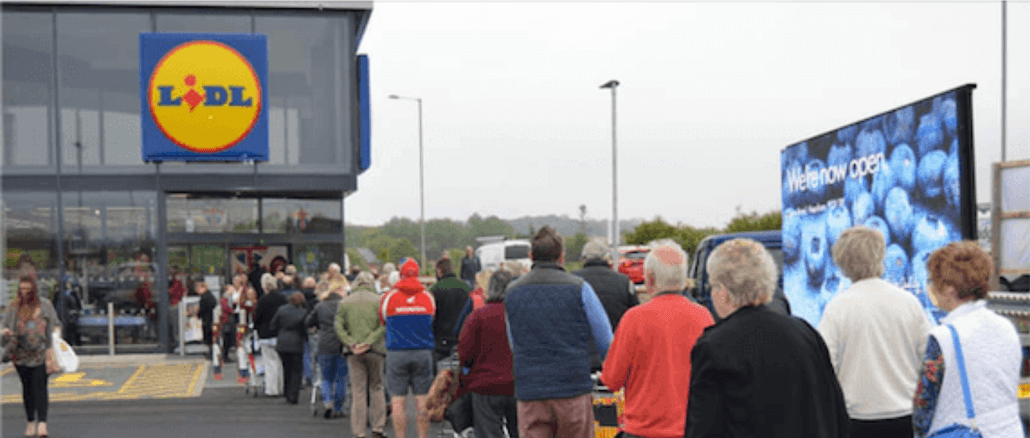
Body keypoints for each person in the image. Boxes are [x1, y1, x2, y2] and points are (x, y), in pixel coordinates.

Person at [685, 238, 849, 438]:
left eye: (712, 286)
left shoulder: (713, 347)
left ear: (724, 291)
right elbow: (834, 411)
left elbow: (704, 429)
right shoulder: (805, 333)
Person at [816, 226, 932, 438]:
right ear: (881, 256)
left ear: (842, 263)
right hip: (905, 416)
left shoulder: (837, 308)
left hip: (857, 419)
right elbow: (929, 357)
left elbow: (824, 366)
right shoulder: (909, 302)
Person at [503, 226, 614, 438]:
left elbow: (513, 343)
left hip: (531, 390)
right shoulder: (580, 288)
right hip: (572, 388)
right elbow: (606, 340)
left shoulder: (512, 292)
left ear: (531, 256)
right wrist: (607, 374)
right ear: (561, 257)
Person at [600, 239, 713, 438]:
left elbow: (611, 380)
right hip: (691, 429)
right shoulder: (703, 317)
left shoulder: (634, 319)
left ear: (650, 278)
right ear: (684, 279)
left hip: (642, 430)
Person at [914, 241, 1024, 437]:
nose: (929, 287)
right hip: (1009, 430)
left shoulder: (943, 338)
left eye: (932, 280)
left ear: (949, 289)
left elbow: (923, 410)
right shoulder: (1006, 328)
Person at [457, 269, 518, 438]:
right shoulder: (519, 315)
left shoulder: (478, 316)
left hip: (485, 386)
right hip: (518, 385)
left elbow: (464, 353)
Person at [379, 259, 436, 438]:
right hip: (422, 352)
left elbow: (383, 321)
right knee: (422, 400)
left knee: (398, 400)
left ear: (401, 273)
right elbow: (432, 319)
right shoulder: (428, 297)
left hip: (397, 352)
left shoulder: (388, 297)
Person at [2, 277, 61, 438]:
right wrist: (5, 333)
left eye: (28, 289)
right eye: (22, 289)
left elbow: (55, 324)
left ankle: (42, 423)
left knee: (40, 387)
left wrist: (55, 338)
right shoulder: (13, 307)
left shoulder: (45, 305)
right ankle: (30, 422)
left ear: (34, 290)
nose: (25, 292)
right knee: (27, 388)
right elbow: (4, 328)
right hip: (20, 354)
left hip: (41, 354)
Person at [572, 238, 639, 371]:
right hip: (616, 357)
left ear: (584, 259)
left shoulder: (572, 281)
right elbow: (635, 317)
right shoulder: (623, 282)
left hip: (581, 359)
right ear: (607, 258)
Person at [337, 271, 388, 438]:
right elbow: (384, 325)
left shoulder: (345, 302)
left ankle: (359, 431)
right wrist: (369, 341)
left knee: (358, 391)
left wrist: (351, 342)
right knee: (377, 387)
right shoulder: (379, 301)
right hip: (375, 350)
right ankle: (378, 427)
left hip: (353, 352)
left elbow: (338, 327)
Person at [306, 281, 349, 419]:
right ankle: (339, 407)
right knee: (341, 378)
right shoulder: (345, 306)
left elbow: (308, 322)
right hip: (342, 345)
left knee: (326, 378)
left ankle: (327, 402)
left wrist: (317, 327)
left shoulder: (320, 306)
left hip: (324, 344)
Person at [270, 291, 309, 404]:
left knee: (286, 368)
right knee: (296, 370)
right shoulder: (303, 312)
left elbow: (273, 325)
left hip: (282, 341)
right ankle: (294, 394)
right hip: (296, 342)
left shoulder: (281, 310)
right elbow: (304, 329)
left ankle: (287, 393)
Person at [429, 258, 471, 364]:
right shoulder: (466, 287)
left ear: (439, 271)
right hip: (462, 337)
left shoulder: (435, 289)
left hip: (441, 339)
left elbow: (431, 315)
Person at [254, 273, 287, 397]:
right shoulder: (282, 298)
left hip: (265, 335)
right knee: (280, 362)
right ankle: (281, 387)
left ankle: (272, 389)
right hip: (280, 333)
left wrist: (256, 328)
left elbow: (258, 317)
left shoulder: (263, 300)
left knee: (269, 362)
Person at [56, 275, 83, 347]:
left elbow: (78, 306)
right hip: (65, 320)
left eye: (70, 283)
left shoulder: (72, 294)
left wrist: (75, 312)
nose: (69, 285)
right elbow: (59, 308)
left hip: (72, 320)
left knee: (74, 334)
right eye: (68, 283)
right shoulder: (61, 294)